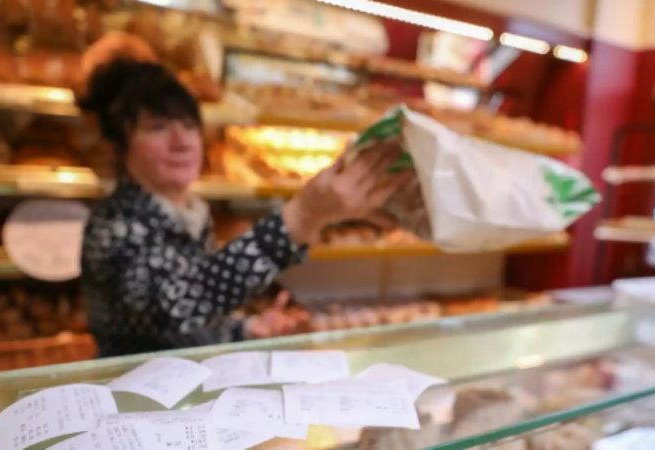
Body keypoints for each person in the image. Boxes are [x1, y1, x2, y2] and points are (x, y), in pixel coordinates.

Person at [78, 58, 410, 357]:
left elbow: (188, 326)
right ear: (120, 147)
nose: (181, 141)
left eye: (190, 125)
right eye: (157, 128)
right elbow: (174, 305)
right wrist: (301, 217)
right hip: (135, 399)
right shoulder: (115, 226)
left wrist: (245, 329)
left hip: (182, 388)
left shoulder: (191, 213)